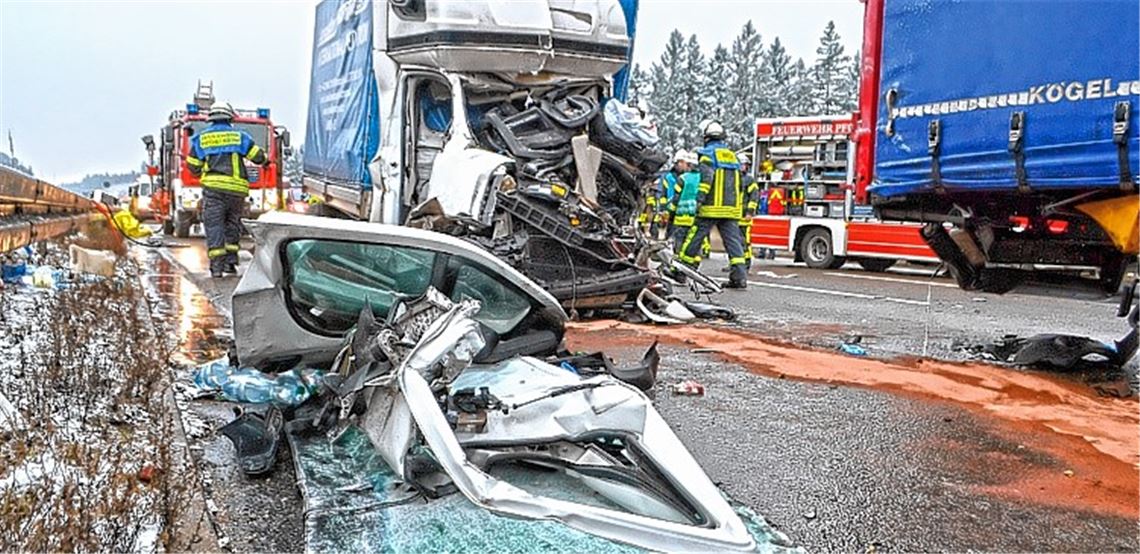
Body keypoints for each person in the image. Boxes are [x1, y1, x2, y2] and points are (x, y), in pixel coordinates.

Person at [186, 103, 269, 277]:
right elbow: (258, 157)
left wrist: (204, 168)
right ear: (230, 118)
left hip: (213, 191)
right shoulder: (240, 137)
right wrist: (266, 160)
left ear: (211, 119)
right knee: (232, 224)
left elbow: (192, 166)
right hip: (236, 192)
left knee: (214, 225)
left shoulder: (202, 139)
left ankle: (216, 267)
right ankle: (230, 263)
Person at [678, 120, 748, 289]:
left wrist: (700, 200)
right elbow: (740, 184)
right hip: (731, 209)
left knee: (694, 237)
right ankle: (739, 278)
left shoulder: (707, 154)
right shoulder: (733, 157)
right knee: (734, 243)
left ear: (706, 138)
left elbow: (706, 181)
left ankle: (679, 270)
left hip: (710, 208)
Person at [666, 150, 701, 253]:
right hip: (695, 217)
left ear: (689, 165)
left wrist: (670, 212)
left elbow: (676, 198)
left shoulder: (683, 178)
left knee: (679, 241)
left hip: (681, 218)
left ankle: (677, 262)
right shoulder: (702, 178)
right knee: (694, 242)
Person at [737, 153, 761, 269]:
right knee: (734, 242)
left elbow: (754, 197)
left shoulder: (749, 180)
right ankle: (735, 264)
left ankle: (746, 263)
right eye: (743, 165)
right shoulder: (733, 179)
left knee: (744, 242)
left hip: (744, 216)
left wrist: (749, 212)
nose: (745, 167)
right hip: (734, 216)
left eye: (746, 165)